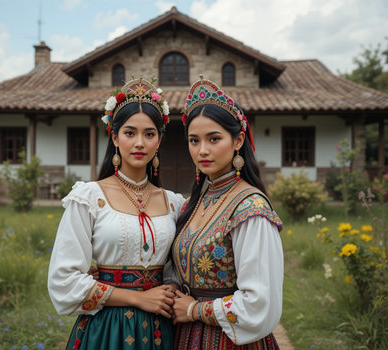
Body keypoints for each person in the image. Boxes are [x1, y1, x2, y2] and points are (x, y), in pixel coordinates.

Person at [48, 78, 185, 350]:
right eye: (129, 132)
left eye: (149, 134)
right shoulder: (88, 198)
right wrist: (137, 298)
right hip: (107, 328)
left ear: (159, 140)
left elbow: (177, 267)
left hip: (161, 328)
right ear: (114, 136)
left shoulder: (173, 204)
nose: (139, 143)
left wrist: (172, 287)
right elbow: (64, 280)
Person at [171, 76, 284, 349]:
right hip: (184, 337)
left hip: (230, 340)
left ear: (238, 140)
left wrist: (195, 310)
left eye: (214, 139)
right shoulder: (192, 203)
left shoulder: (251, 209)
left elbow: (259, 301)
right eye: (194, 140)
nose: (203, 150)